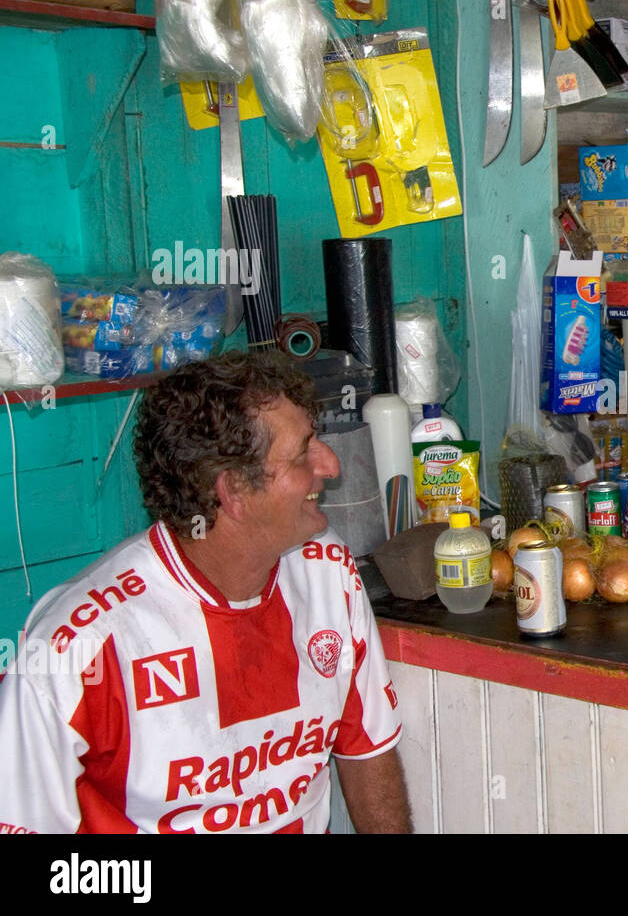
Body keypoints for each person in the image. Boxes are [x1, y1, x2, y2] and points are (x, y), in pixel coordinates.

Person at [0, 351, 412, 833]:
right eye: (303, 451)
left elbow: (366, 749)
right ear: (233, 490)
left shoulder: (326, 570)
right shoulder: (76, 645)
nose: (329, 463)